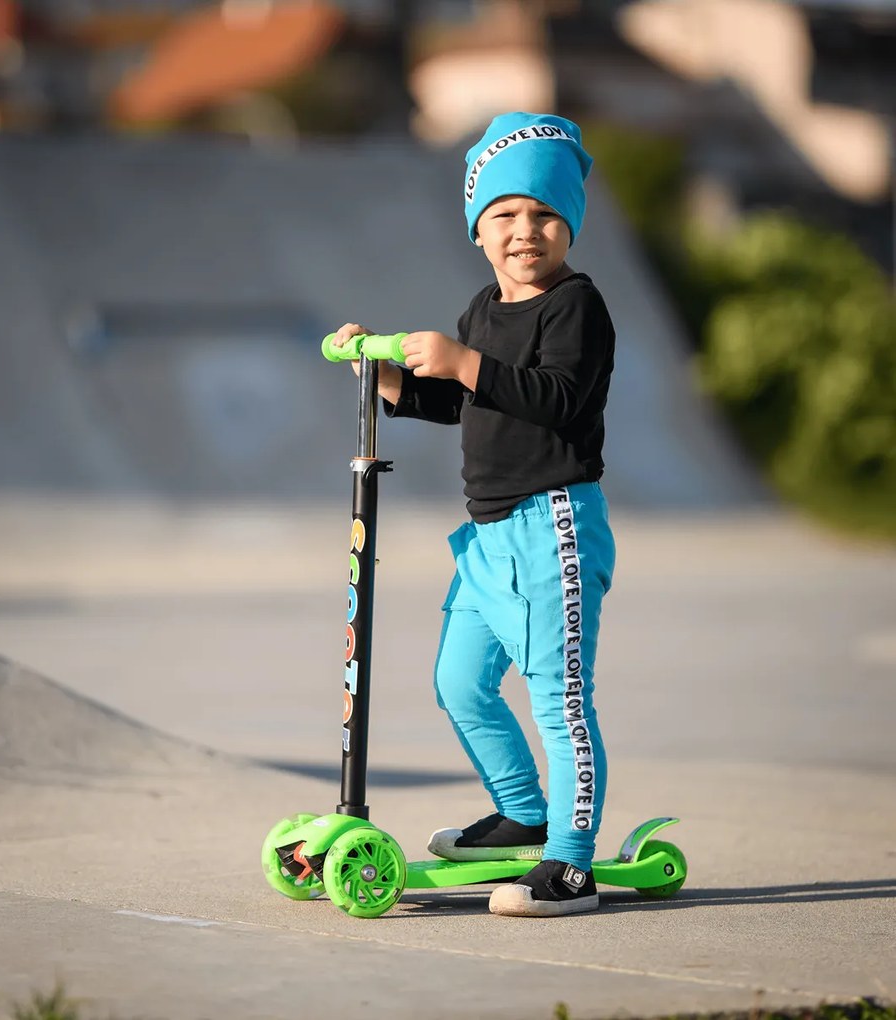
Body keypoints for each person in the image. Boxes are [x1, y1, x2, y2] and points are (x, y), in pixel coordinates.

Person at [329, 111, 616, 918]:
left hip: (552, 523)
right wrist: (389, 380)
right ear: (477, 230)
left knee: (559, 696)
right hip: (490, 536)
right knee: (459, 684)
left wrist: (466, 362)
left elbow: (556, 400)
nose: (526, 231)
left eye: (545, 213)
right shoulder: (483, 308)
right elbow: (463, 403)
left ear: (570, 225)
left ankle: (570, 862)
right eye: (504, 216)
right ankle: (524, 812)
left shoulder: (576, 307)